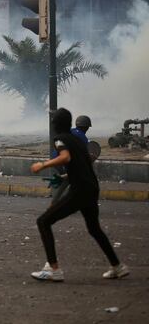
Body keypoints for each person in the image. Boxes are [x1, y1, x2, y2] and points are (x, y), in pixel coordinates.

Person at [30, 108, 128, 282]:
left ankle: (54, 269)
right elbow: (81, 164)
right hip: (91, 188)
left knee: (43, 221)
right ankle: (117, 267)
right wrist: (64, 177)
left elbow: (65, 157)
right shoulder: (77, 140)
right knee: (94, 228)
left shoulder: (60, 139)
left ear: (55, 124)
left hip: (80, 191)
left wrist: (42, 165)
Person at [51, 114, 93, 203]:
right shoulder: (83, 138)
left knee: (69, 180)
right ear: (86, 127)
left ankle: (58, 201)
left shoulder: (70, 131)